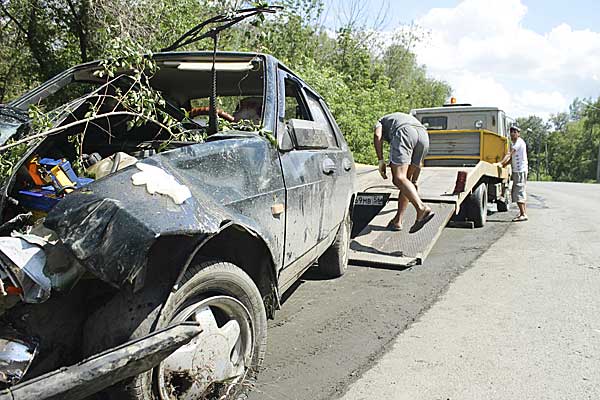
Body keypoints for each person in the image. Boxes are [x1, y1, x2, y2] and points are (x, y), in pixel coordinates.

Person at [373, 112, 435, 233]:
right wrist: (415, 181)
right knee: (406, 180)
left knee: (398, 178)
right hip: (423, 135)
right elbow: (418, 167)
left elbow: (377, 136)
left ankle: (421, 208)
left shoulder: (380, 121)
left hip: (405, 132)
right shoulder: (402, 118)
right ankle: (398, 221)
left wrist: (380, 160)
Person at [500, 125, 528, 221]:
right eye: (511, 131)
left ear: (518, 133)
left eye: (514, 132)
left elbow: (509, 154)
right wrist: (504, 164)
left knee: (518, 192)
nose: (512, 133)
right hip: (517, 170)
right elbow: (511, 159)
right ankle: (522, 213)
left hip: (520, 171)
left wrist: (500, 163)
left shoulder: (519, 143)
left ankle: (523, 214)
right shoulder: (515, 143)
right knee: (517, 192)